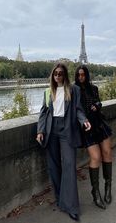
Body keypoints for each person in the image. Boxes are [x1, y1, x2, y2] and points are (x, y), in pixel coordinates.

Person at [36, 63, 91, 221]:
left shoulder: (74, 90)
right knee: (54, 167)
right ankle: (61, 200)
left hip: (67, 130)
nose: (58, 76)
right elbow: (43, 112)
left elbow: (78, 109)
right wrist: (40, 131)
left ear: (65, 75)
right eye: (55, 74)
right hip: (51, 130)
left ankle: (72, 207)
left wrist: (84, 120)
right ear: (52, 76)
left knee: (69, 166)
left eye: (60, 74)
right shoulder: (48, 92)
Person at [75, 65, 113, 210]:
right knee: (96, 157)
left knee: (107, 153)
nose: (81, 77)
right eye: (78, 75)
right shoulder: (74, 90)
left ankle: (108, 186)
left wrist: (97, 105)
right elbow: (75, 110)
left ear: (87, 75)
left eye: (83, 75)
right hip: (86, 127)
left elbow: (99, 102)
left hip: (99, 124)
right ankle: (95, 191)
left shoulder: (94, 88)